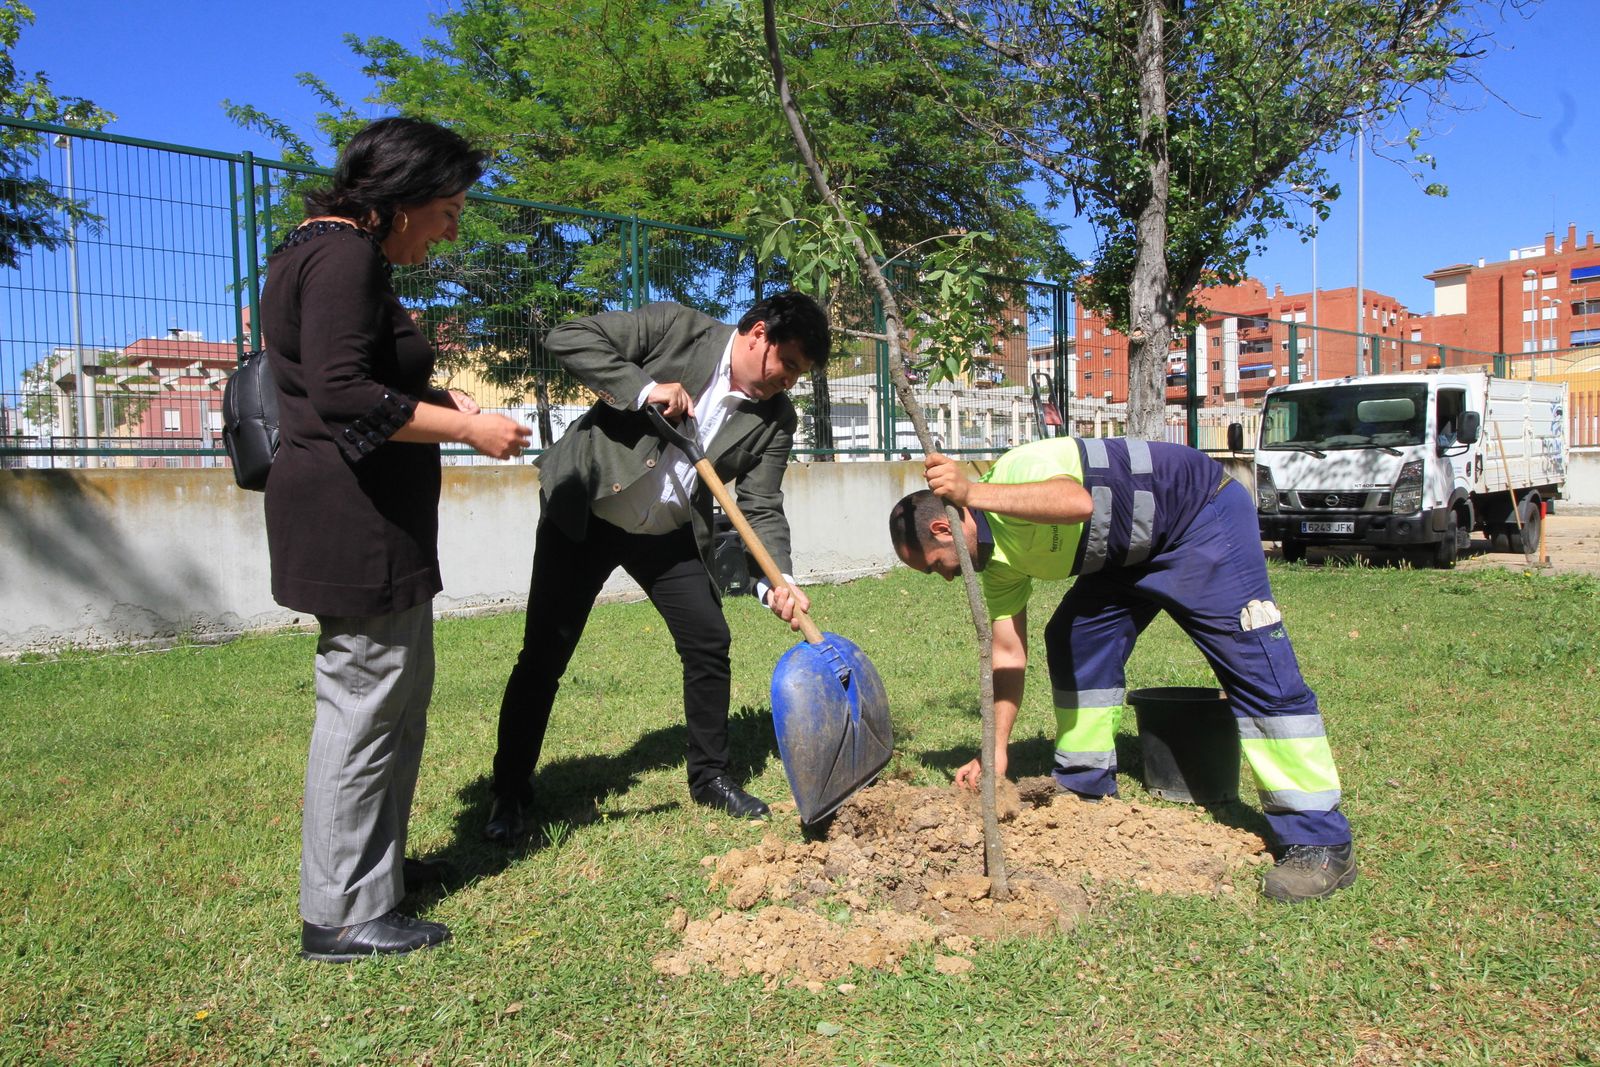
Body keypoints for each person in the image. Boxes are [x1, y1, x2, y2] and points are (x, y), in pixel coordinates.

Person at [261, 117, 533, 961]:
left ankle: (368, 875)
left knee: (393, 700)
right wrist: (467, 428)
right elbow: (341, 392)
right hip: (355, 519)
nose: (455, 227)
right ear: (403, 200)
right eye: (449, 208)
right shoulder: (344, 256)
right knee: (365, 703)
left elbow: (349, 376)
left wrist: (442, 399)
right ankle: (340, 912)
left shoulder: (316, 248)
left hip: (368, 515)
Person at [888, 436, 1357, 902]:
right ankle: (1083, 784)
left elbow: (1075, 501)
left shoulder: (1015, 472)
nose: (947, 577)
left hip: (1199, 519)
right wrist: (996, 749)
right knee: (1076, 638)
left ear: (944, 530)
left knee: (1254, 657)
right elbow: (1008, 654)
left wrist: (971, 493)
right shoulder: (997, 568)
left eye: (936, 567)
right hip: (1124, 554)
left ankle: (1318, 840)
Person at [486, 291, 831, 842]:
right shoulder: (678, 328)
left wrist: (779, 579)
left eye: (798, 375)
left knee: (708, 640)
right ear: (758, 333)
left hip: (667, 531)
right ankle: (508, 790)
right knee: (545, 653)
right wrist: (646, 387)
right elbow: (567, 337)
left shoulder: (776, 417)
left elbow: (761, 505)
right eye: (787, 365)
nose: (786, 381)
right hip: (590, 511)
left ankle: (710, 777)